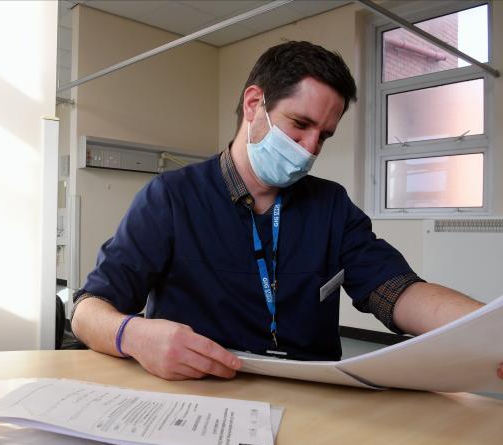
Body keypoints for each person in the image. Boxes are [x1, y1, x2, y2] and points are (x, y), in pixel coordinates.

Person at [72, 40, 503, 382]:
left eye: (325, 135)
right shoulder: (171, 197)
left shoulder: (330, 205)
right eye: (300, 124)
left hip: (313, 393)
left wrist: (489, 331)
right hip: (201, 392)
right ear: (254, 104)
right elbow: (88, 310)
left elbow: (396, 290)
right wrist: (133, 335)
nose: (310, 148)